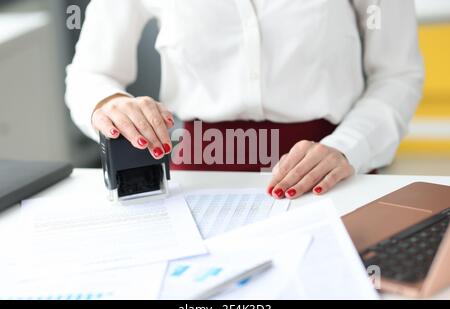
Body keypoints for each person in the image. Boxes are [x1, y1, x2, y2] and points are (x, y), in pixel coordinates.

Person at [65, 0, 424, 199]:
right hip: (195, 183)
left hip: (329, 171)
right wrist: (108, 103)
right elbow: (90, 74)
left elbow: (397, 74)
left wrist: (350, 146)